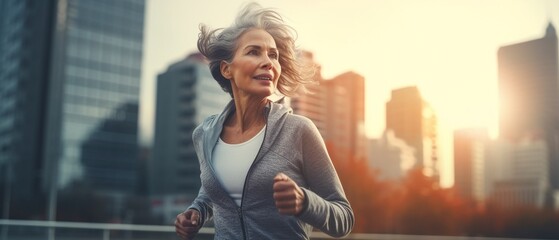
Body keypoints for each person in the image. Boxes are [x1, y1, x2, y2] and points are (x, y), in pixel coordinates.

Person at [175, 2, 354, 239]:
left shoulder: (298, 130)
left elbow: (344, 218)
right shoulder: (203, 135)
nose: (269, 61)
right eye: (253, 51)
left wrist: (305, 202)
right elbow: (217, 190)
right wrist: (196, 211)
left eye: (273, 55)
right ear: (227, 69)